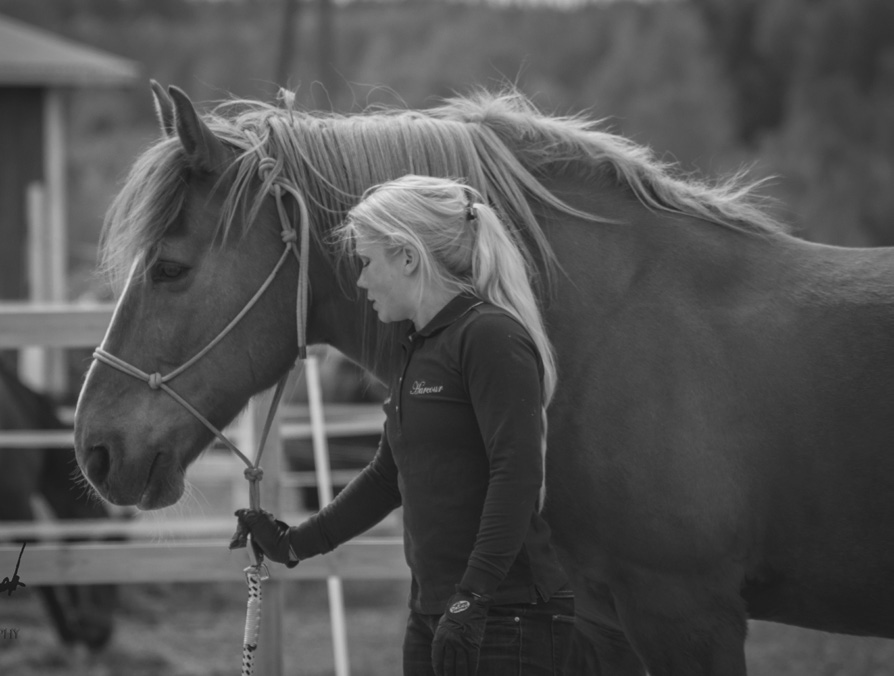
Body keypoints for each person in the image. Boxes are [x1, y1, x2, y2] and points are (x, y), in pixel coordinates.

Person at [232, 175, 574, 676]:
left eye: (367, 263)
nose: (361, 282)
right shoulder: (418, 347)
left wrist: (472, 596)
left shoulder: (490, 337)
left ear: (408, 257)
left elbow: (517, 474)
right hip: (438, 610)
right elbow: (387, 477)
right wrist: (292, 544)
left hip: (508, 615)